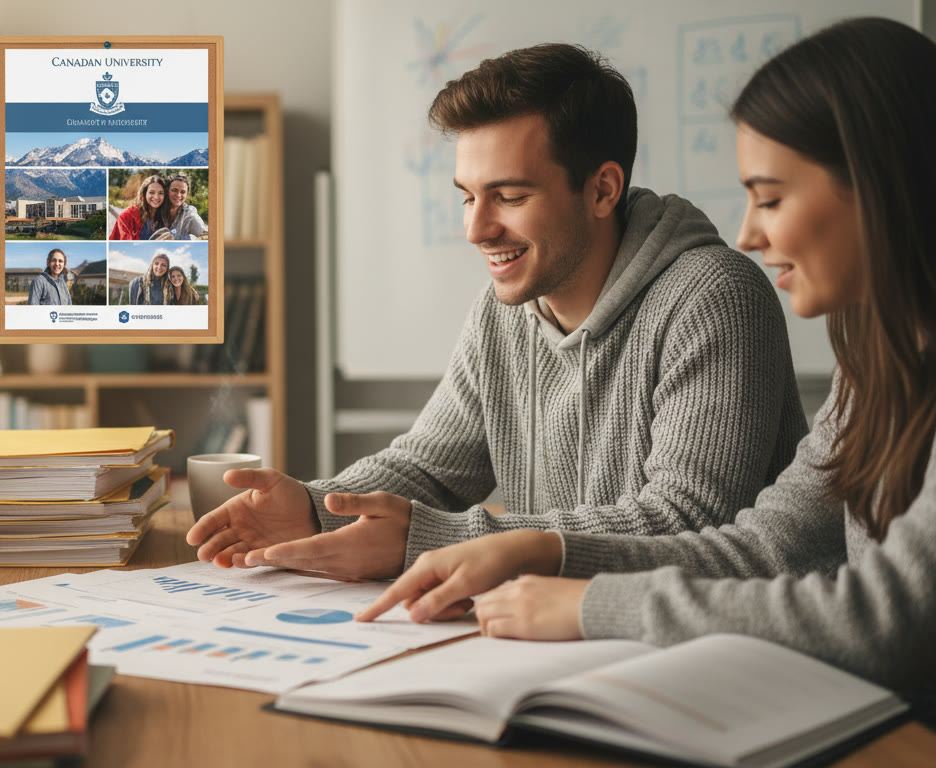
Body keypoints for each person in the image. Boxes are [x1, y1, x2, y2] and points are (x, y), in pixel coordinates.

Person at [358, 17, 936, 721]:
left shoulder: (714, 294)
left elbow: (883, 624)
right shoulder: (876, 364)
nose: (749, 233)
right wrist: (542, 551)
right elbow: (770, 546)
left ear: (878, 187)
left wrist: (586, 598)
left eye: (771, 198)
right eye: (467, 196)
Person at [186, 42, 807, 580]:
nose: (477, 229)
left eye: (509, 196)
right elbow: (428, 468)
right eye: (468, 197)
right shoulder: (504, 310)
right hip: (562, 627)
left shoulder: (713, 296)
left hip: (715, 647)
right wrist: (315, 508)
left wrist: (431, 539)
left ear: (602, 189)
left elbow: (685, 523)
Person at [111, 174, 167, 240]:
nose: (156, 197)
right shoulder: (127, 216)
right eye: (152, 192)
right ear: (144, 193)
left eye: (160, 193)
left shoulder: (165, 215)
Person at [157, 173, 208, 240]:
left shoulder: (190, 215)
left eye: (183, 192)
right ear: (167, 191)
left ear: (187, 193)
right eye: (174, 190)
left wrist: (177, 239)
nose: (178, 195)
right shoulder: (156, 208)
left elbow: (206, 237)